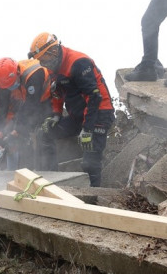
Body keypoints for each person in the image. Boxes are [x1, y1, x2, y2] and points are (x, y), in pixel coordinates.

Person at [28, 33, 115, 186]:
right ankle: (51, 181)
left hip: (99, 114)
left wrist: (87, 129)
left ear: (53, 51)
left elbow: (94, 97)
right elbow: (57, 93)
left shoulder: (78, 62)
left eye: (43, 59)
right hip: (78, 116)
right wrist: (56, 114)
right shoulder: (53, 67)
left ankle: (93, 198)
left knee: (90, 163)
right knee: (44, 133)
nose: (42, 63)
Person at [0, 57, 55, 171]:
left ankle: (50, 172)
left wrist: (17, 130)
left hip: (46, 101)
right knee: (14, 130)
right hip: (27, 103)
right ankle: (26, 171)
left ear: (17, 73)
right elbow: (1, 106)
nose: (10, 88)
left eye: (11, 84)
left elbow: (32, 105)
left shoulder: (34, 74)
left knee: (43, 134)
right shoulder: (4, 79)